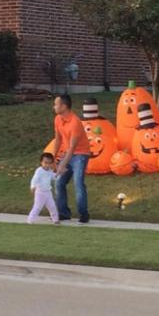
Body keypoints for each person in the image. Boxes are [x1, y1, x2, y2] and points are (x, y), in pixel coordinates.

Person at [53, 94, 91, 223]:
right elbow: (58, 140)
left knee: (78, 182)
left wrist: (62, 165)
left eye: (56, 104)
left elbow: (73, 148)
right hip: (67, 153)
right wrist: (54, 158)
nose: (54, 107)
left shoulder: (75, 122)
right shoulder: (58, 119)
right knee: (59, 182)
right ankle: (63, 213)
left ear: (63, 106)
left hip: (80, 154)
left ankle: (83, 214)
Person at [27, 152, 59, 225]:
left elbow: (54, 177)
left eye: (49, 163)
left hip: (48, 193)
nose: (47, 165)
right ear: (41, 162)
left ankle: (55, 220)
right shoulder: (39, 171)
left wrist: (58, 174)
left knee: (52, 206)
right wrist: (32, 187)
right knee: (37, 207)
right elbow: (34, 179)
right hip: (40, 192)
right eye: (45, 163)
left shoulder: (50, 171)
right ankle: (30, 219)